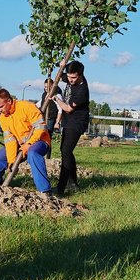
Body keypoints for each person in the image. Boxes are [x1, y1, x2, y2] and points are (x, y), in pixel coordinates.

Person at [0, 88, 52, 195]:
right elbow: (10, 140)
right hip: (20, 145)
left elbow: (41, 127)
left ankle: (45, 190)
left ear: (9, 101)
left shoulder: (26, 107)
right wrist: (12, 160)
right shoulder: (3, 118)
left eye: (0, 107)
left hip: (40, 141)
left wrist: (29, 144)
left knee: (32, 153)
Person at [52, 61, 89, 196]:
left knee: (66, 151)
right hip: (68, 122)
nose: (70, 80)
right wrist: (61, 64)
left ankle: (61, 187)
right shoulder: (69, 77)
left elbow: (67, 108)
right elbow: (60, 75)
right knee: (65, 151)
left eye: (73, 78)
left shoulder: (82, 90)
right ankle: (73, 182)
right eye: (69, 77)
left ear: (80, 75)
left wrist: (56, 99)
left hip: (77, 122)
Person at [39, 77, 62, 159]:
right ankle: (41, 155)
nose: (46, 89)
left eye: (48, 87)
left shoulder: (57, 95)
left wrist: (57, 122)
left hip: (50, 119)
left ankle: (47, 157)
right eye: (45, 87)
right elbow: (39, 104)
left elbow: (60, 109)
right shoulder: (44, 94)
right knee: (39, 137)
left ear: (52, 86)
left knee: (47, 137)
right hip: (42, 119)